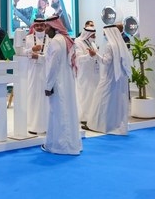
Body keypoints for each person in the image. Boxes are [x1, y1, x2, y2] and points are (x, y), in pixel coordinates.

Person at [42, 16, 81, 155]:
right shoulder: (65, 40)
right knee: (67, 112)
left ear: (54, 27)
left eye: (47, 27)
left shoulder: (56, 42)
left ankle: (61, 146)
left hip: (58, 83)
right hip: (67, 82)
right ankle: (70, 144)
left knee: (59, 113)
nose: (45, 30)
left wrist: (48, 85)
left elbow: (53, 66)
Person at [85, 25, 130, 135]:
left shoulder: (110, 45)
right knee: (114, 102)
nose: (104, 34)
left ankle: (98, 125)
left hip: (109, 78)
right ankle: (113, 124)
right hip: (119, 78)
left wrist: (95, 54)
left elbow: (106, 61)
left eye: (105, 32)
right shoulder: (120, 44)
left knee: (102, 99)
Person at [24, 18, 49, 134]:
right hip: (32, 73)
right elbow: (20, 53)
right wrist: (31, 49)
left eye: (41, 25)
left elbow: (52, 56)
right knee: (33, 97)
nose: (39, 27)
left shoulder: (50, 39)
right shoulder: (28, 38)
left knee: (45, 99)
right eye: (37, 25)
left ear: (45, 26)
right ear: (33, 26)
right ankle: (32, 126)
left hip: (45, 73)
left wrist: (39, 57)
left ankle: (45, 126)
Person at [74, 22, 100, 129]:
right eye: (93, 35)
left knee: (93, 94)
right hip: (84, 74)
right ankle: (84, 117)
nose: (95, 37)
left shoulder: (92, 43)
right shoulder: (78, 42)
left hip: (94, 73)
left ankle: (92, 116)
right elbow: (78, 59)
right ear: (87, 34)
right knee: (85, 95)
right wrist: (89, 56)